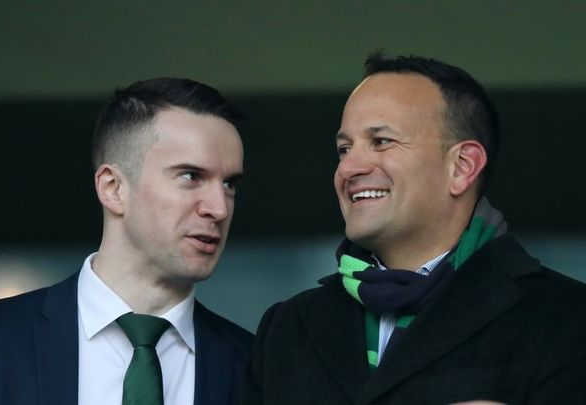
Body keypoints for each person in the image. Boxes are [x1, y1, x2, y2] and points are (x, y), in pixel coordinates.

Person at [240, 52, 586, 404]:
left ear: (462, 167)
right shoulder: (288, 328)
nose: (349, 168)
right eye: (344, 149)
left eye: (381, 141)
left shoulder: (568, 320)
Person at [0, 78, 253, 405]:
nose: (219, 208)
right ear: (112, 188)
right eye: (191, 176)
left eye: (229, 184)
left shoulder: (254, 365)